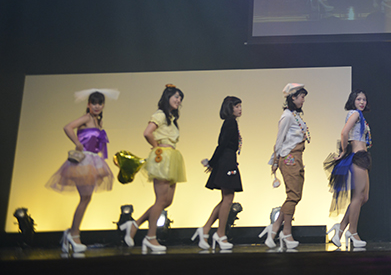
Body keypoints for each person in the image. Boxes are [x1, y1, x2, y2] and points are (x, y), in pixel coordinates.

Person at [46, 89, 117, 253]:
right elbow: (68, 127)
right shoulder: (86, 118)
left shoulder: (97, 121)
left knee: (86, 198)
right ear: (89, 104)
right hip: (84, 161)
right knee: (85, 198)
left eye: (100, 103)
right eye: (94, 103)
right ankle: (74, 234)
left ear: (103, 105)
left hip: (93, 160)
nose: (97, 106)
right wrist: (77, 143)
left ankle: (72, 233)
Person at [122, 85, 187, 252]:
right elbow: (147, 132)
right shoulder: (160, 114)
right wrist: (156, 146)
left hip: (172, 157)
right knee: (160, 200)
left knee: (167, 201)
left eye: (180, 98)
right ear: (167, 98)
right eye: (176, 97)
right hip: (163, 157)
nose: (179, 100)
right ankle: (150, 237)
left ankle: (135, 224)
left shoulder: (171, 118)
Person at [261, 83, 310, 250]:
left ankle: (275, 228)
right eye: (301, 97)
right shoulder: (287, 116)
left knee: (296, 195)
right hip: (289, 157)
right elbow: (279, 140)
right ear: (293, 98)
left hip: (297, 157)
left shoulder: (294, 115)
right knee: (293, 195)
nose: (303, 100)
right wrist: (275, 161)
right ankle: (286, 232)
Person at [192, 96, 243, 251]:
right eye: (236, 106)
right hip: (226, 161)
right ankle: (220, 234)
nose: (240, 109)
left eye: (240, 106)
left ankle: (206, 229)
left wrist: (214, 163)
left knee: (226, 198)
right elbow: (222, 144)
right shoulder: (230, 122)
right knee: (228, 198)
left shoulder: (231, 122)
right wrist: (212, 163)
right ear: (229, 108)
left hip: (228, 160)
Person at [324, 90, 372, 248]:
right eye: (359, 99)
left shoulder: (359, 115)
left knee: (364, 197)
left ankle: (340, 229)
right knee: (358, 196)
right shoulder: (355, 114)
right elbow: (344, 132)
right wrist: (344, 151)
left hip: (362, 157)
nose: (362, 102)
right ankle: (353, 231)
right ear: (353, 101)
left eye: (364, 99)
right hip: (357, 157)